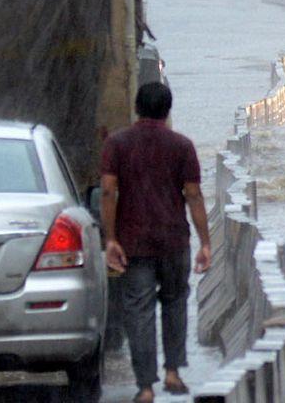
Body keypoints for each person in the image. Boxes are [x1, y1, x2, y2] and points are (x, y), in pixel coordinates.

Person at [101, 83, 212, 403]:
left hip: (133, 243)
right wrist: (205, 242)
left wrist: (110, 239)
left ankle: (146, 386)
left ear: (137, 108)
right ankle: (173, 372)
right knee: (175, 303)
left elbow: (109, 191)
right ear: (168, 110)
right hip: (174, 240)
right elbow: (193, 195)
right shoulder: (182, 146)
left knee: (139, 311)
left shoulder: (116, 145)